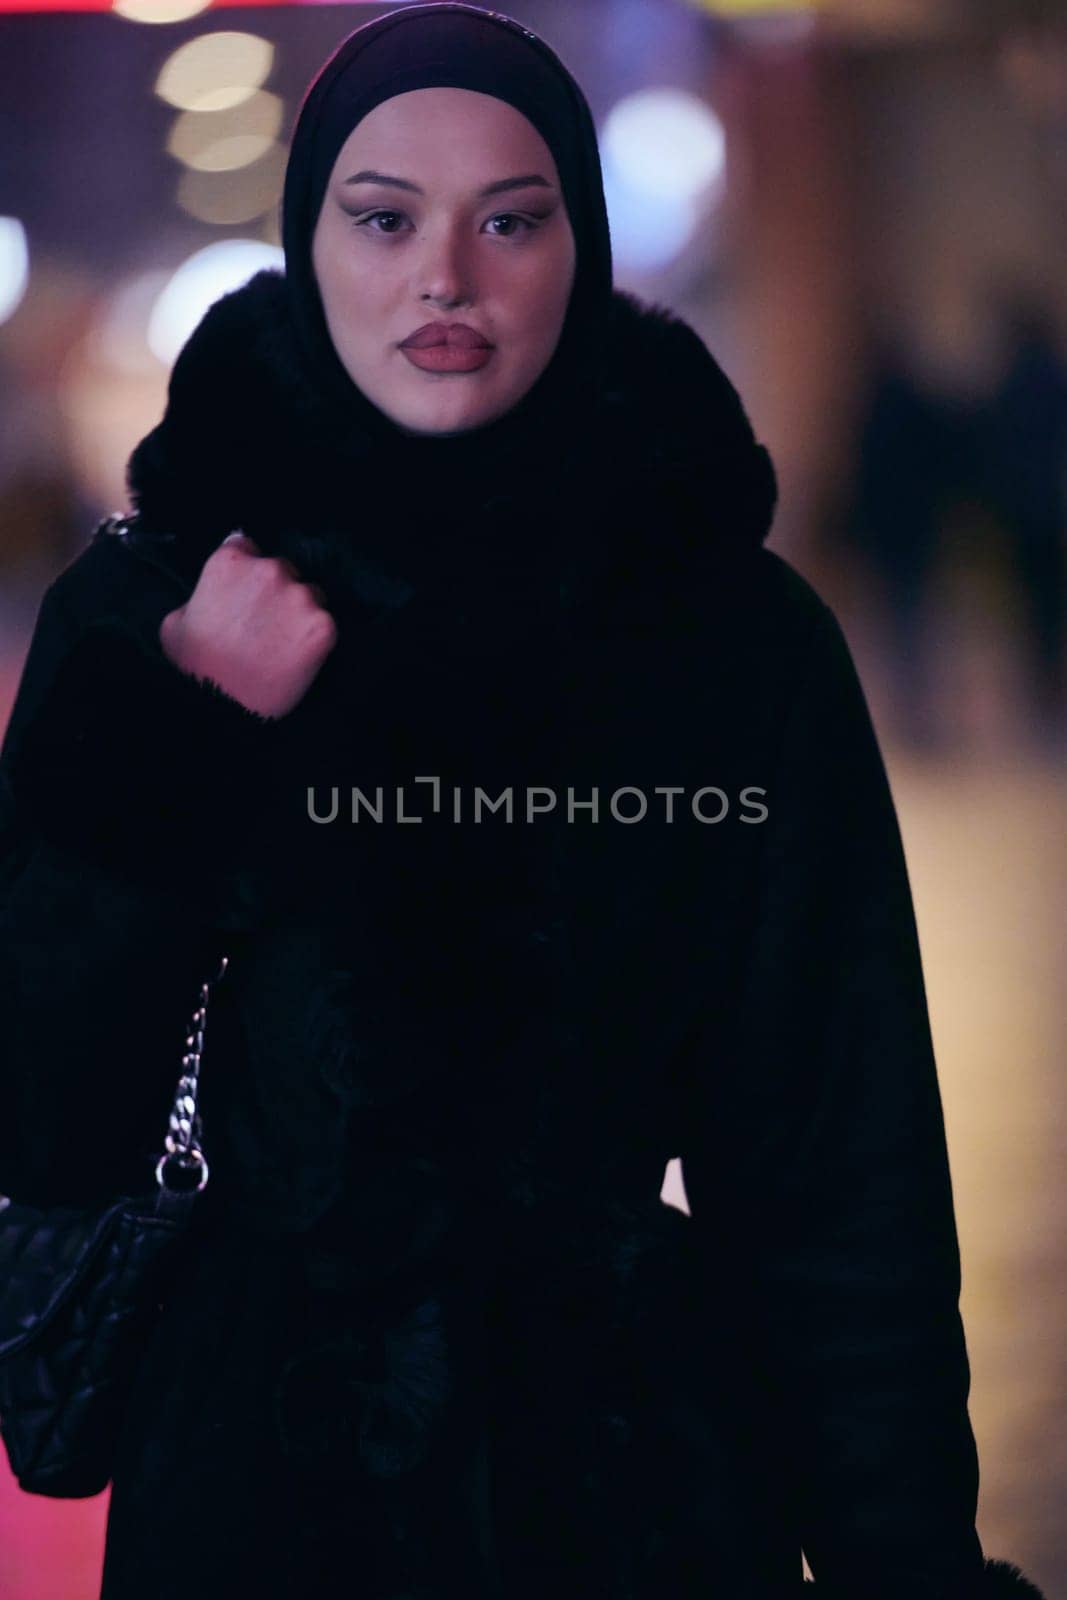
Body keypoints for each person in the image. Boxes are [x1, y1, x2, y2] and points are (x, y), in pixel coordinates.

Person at [0, 6, 1049, 1598]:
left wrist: (904, 1557)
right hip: (256, 1493)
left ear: (582, 239)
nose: (447, 278)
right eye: (383, 218)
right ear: (310, 240)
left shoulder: (726, 639)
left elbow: (841, 1181)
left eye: (510, 217)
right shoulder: (161, 607)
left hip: (632, 1489)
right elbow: (45, 1102)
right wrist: (189, 727)